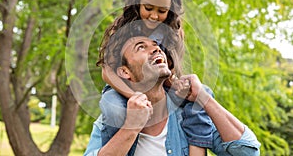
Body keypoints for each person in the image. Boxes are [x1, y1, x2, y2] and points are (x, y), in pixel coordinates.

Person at [84, 23, 261, 155]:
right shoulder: (112, 118)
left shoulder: (188, 114)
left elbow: (248, 151)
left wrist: (203, 98)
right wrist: (131, 127)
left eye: (156, 45)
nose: (155, 49)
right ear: (125, 72)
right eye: (141, 47)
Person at [96, 0, 213, 154]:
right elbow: (107, 72)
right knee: (115, 110)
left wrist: (176, 85)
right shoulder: (124, 27)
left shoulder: (173, 33)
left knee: (200, 96)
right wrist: (133, 96)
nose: (153, 15)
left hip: (158, 91)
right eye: (148, 8)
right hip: (123, 89)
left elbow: (168, 73)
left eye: (162, 11)